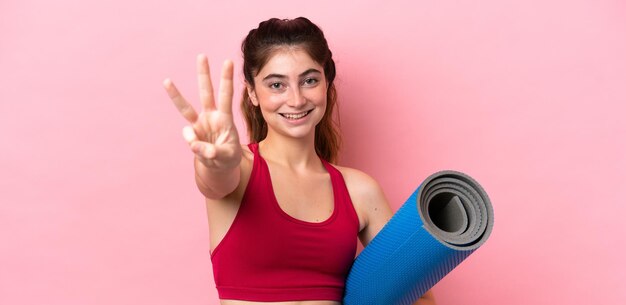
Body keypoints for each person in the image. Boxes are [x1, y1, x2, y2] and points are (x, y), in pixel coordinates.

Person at [164, 17, 436, 305]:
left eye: (309, 81)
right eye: (276, 85)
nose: (295, 100)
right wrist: (217, 162)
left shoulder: (359, 190)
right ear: (253, 93)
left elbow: (418, 294)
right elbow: (214, 181)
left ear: (326, 83)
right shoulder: (239, 168)